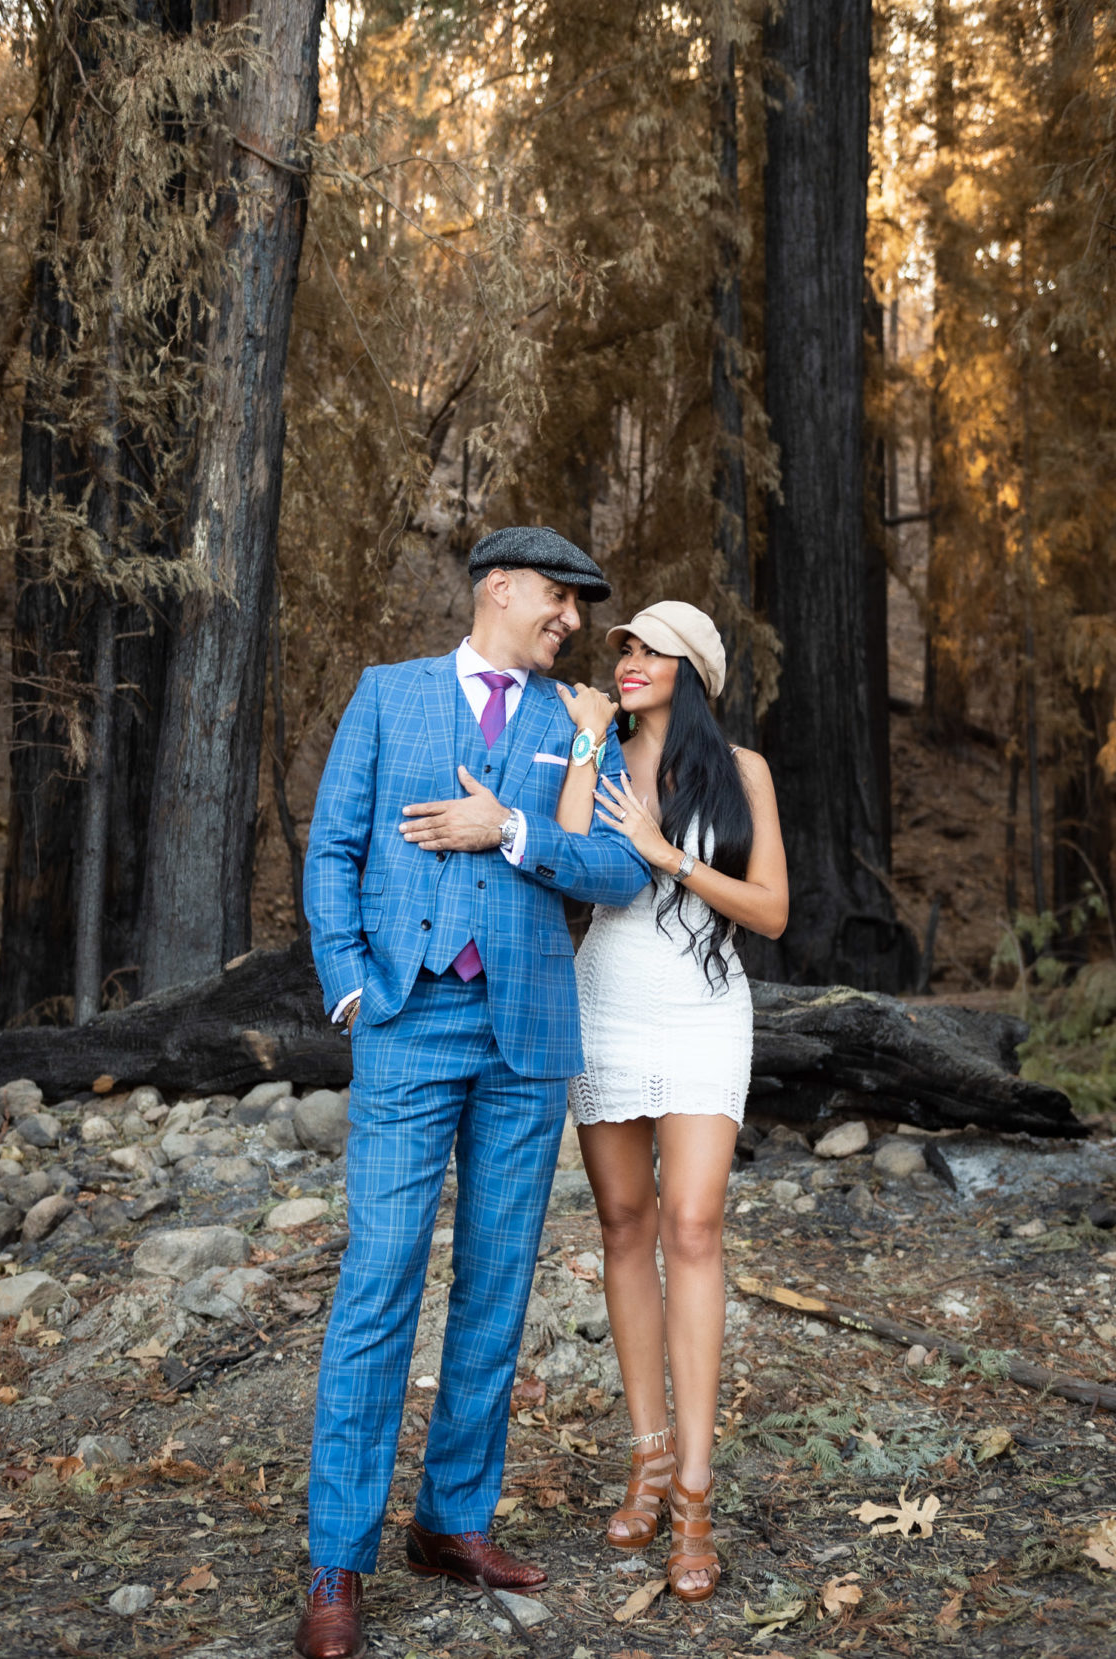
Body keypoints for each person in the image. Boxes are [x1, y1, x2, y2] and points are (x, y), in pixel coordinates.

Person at [295, 527, 650, 1659]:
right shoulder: (389, 696)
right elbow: (333, 848)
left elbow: (615, 869)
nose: (574, 620)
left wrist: (511, 828)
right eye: (560, 596)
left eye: (582, 605)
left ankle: (452, 1523)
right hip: (406, 1021)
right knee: (380, 1282)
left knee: (496, 1289)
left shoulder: (575, 726)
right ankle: (336, 1558)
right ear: (501, 587)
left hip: (527, 1036)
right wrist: (350, 989)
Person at [552, 602, 788, 1604]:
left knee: (692, 1225)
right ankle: (645, 1458)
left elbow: (772, 910)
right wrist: (583, 744)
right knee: (622, 1222)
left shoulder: (743, 774)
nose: (629, 662)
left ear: (692, 670)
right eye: (625, 650)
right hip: (605, 1000)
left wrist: (669, 852)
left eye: (649, 651)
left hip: (702, 1010)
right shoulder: (601, 757)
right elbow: (563, 857)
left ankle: (692, 1490)